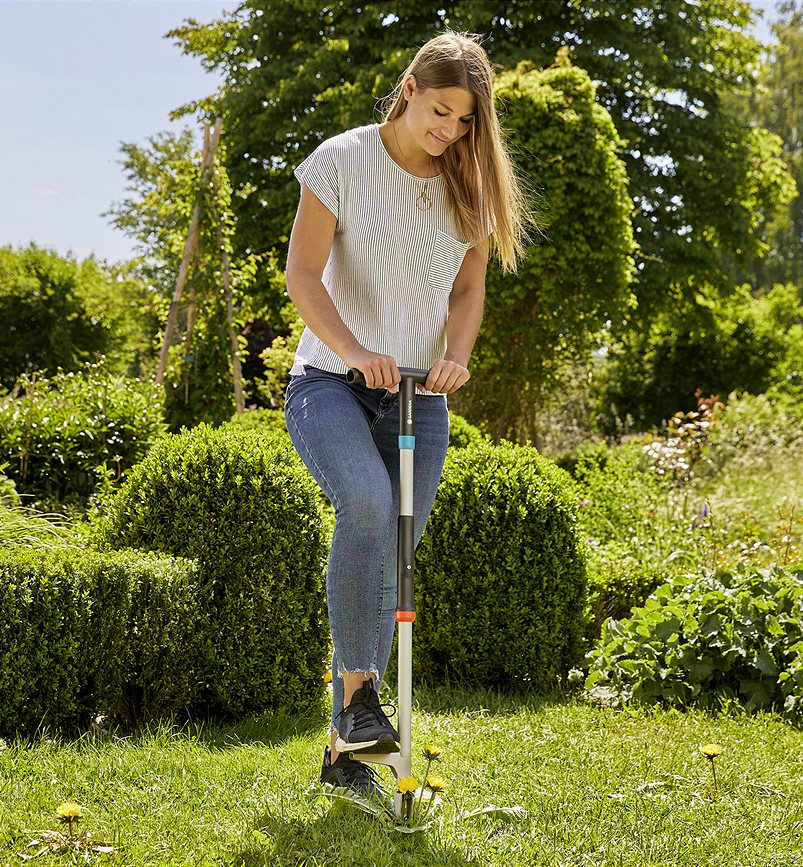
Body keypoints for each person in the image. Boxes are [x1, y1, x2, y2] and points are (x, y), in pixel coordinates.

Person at [282, 30, 529, 793]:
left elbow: (466, 289)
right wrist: (356, 349)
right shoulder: (342, 161)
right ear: (412, 84)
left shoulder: (469, 186)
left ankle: (343, 754)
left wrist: (457, 354)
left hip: (421, 394)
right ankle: (360, 703)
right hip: (330, 382)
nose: (450, 130)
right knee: (365, 503)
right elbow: (301, 274)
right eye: (442, 110)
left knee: (388, 558)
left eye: (465, 121)